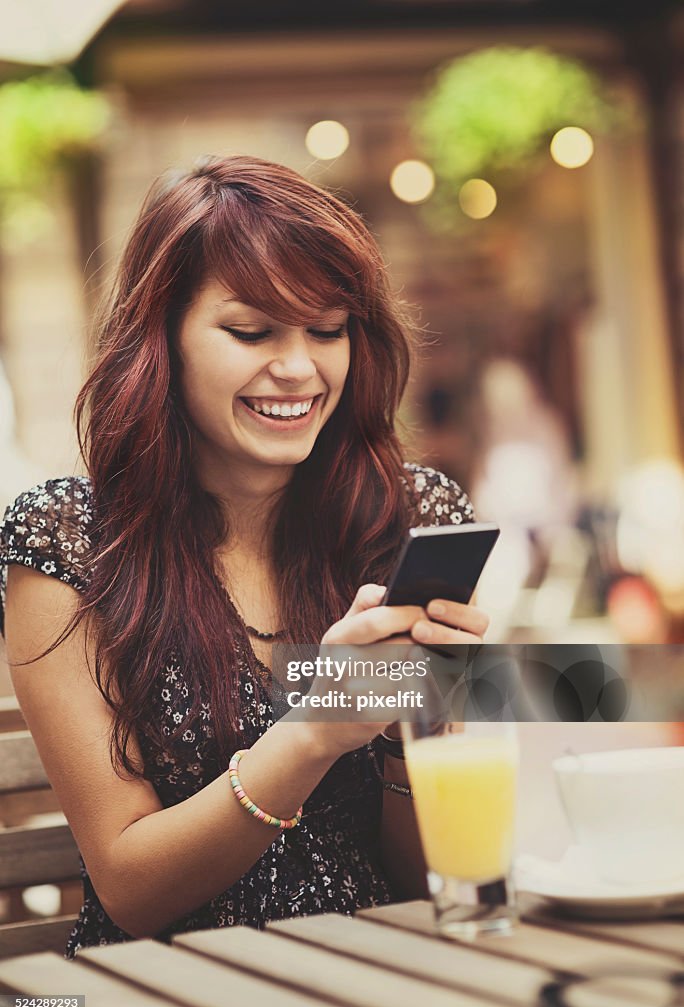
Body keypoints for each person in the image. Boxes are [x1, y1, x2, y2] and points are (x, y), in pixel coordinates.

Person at [0, 155, 487, 958]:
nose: (299, 369)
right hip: (167, 988)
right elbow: (131, 890)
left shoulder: (405, 516)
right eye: (251, 330)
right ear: (164, 338)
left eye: (328, 331)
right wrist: (314, 731)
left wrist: (412, 723)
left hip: (387, 971)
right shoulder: (68, 542)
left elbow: (428, 878)